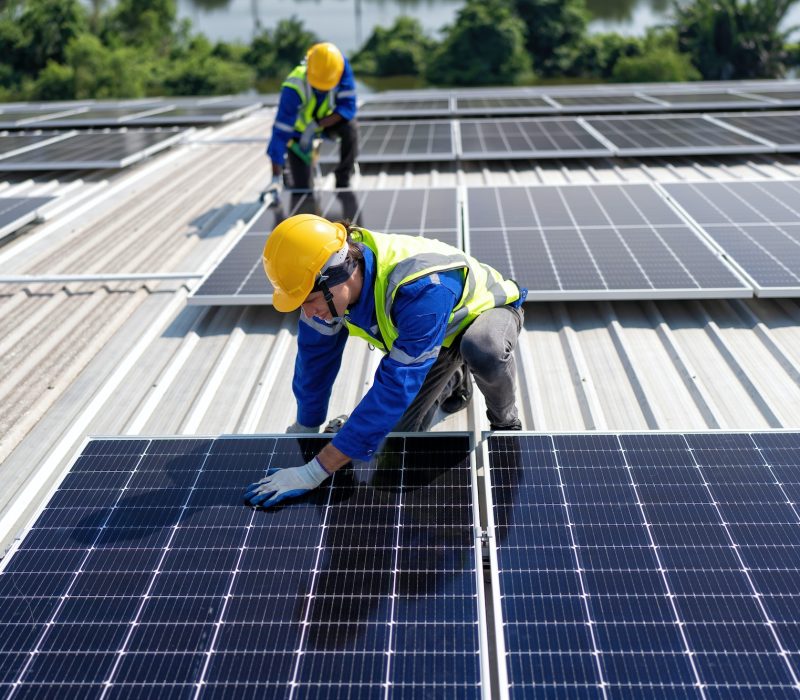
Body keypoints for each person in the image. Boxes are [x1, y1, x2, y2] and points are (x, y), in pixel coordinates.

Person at [244, 214, 527, 509]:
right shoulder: (324, 294)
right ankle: (454, 379)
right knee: (398, 439)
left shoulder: (422, 289)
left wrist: (315, 471)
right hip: (427, 341)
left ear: (338, 275)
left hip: (482, 314)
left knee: (483, 348)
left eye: (309, 300)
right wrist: (306, 427)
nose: (308, 312)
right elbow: (314, 363)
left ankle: (506, 422)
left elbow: (394, 385)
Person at [263, 42, 358, 205]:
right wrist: (274, 177)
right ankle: (285, 177)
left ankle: (343, 179)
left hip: (326, 123)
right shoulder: (293, 88)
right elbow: (280, 132)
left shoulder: (339, 67)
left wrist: (316, 125)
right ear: (308, 69)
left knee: (350, 127)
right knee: (303, 191)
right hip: (299, 135)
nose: (322, 90)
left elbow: (348, 107)